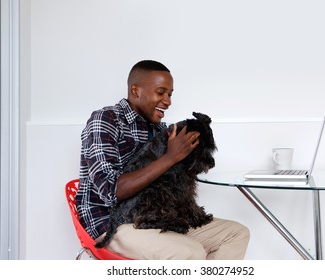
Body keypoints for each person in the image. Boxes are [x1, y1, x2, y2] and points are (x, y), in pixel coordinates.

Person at [75, 60, 250, 259]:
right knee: (190, 252)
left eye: (170, 94)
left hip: (156, 220)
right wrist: (170, 157)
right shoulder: (106, 120)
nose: (168, 101)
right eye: (161, 92)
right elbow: (112, 191)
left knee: (235, 234)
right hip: (112, 225)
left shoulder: (160, 129)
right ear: (135, 91)